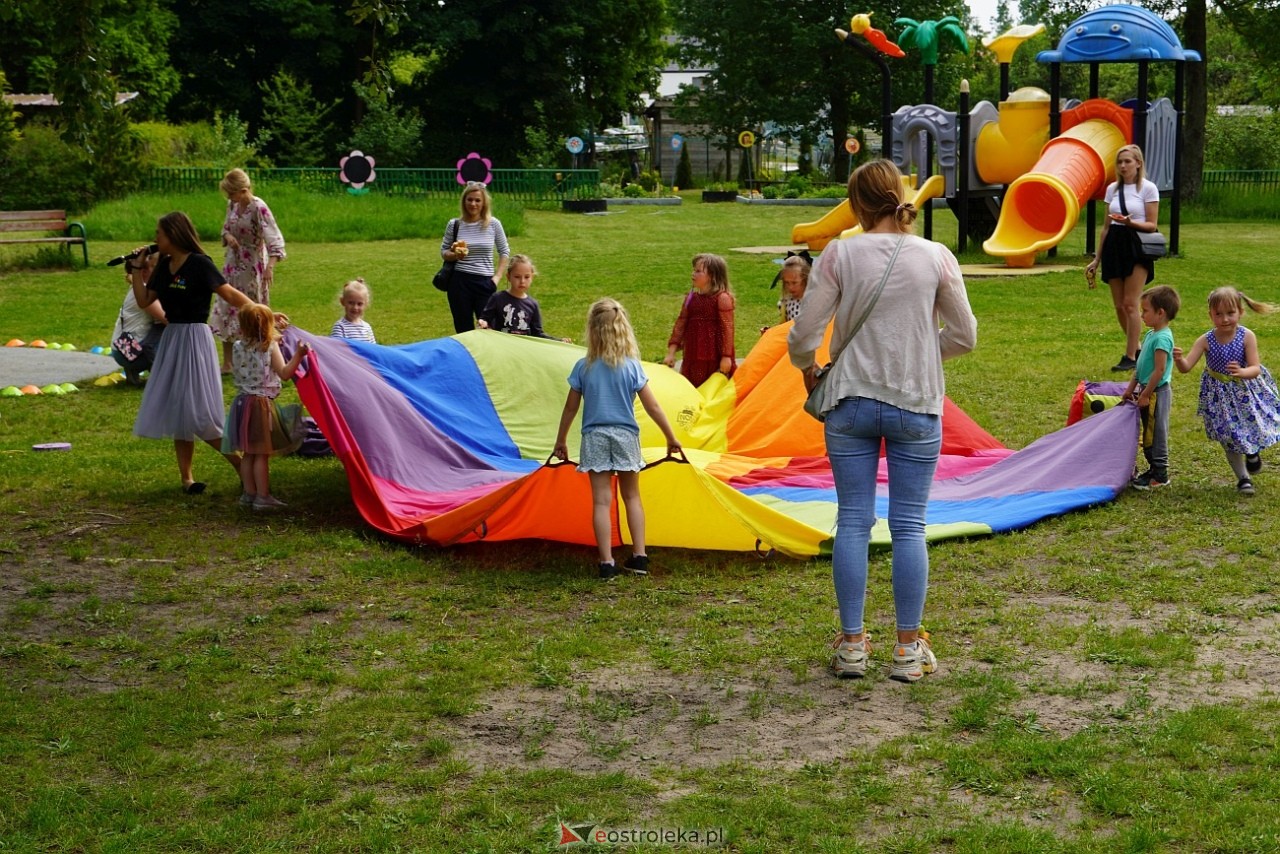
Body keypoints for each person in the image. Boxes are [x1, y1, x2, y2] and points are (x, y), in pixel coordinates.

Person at [787, 159, 977, 683]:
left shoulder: (839, 254)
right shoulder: (936, 256)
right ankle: (908, 650)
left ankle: (852, 646)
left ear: (856, 206)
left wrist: (809, 369)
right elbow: (965, 336)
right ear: (900, 196)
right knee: (910, 526)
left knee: (853, 521)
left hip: (849, 400)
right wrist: (922, 350)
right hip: (916, 401)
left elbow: (804, 336)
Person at [127, 211, 278, 494]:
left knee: (197, 412)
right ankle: (187, 478)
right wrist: (136, 269)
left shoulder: (199, 264)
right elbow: (144, 299)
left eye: (159, 233)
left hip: (195, 339)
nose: (155, 238)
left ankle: (239, 465)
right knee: (180, 410)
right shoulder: (164, 266)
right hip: (173, 339)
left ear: (173, 235)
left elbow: (229, 294)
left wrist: (261, 312)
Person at [553, 298, 683, 580]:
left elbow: (570, 408)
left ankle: (606, 563)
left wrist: (560, 440)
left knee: (601, 501)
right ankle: (639, 557)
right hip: (626, 436)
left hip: (595, 437)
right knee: (632, 496)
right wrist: (671, 437)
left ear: (592, 330)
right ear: (623, 329)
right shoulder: (632, 367)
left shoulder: (583, 367)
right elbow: (653, 406)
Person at [1173, 287, 1280, 495]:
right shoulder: (1205, 340)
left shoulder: (1247, 336)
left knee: (1250, 426)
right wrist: (1179, 359)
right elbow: (1186, 368)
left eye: (1230, 313)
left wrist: (1241, 372)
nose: (1224, 319)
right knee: (1228, 435)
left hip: (1245, 392)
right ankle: (1243, 479)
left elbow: (1255, 368)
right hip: (1218, 396)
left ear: (1240, 312)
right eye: (1218, 314)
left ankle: (1252, 453)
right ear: (1210, 315)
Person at [223, 303, 310, 510]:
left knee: (248, 453)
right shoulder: (270, 347)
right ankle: (263, 497)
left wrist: (272, 333)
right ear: (267, 327)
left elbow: (257, 342)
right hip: (260, 405)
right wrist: (299, 354)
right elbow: (285, 373)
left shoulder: (237, 346)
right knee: (261, 453)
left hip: (242, 403)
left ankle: (248, 494)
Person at [1085, 144, 1160, 373]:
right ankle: (1138, 350)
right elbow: (1106, 227)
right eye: (1120, 162)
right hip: (1114, 245)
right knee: (1119, 305)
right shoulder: (1112, 189)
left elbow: (1152, 224)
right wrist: (1097, 259)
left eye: (1128, 161)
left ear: (1138, 163)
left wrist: (1130, 222)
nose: (1123, 166)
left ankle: (1130, 356)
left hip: (1136, 246)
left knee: (1130, 303)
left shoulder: (1148, 188)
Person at [212, 168, 287, 372]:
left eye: (232, 193)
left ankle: (259, 358)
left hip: (252, 266)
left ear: (243, 190)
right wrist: (228, 237)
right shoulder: (232, 205)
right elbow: (225, 228)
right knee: (227, 306)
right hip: (232, 264)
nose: (229, 197)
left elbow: (274, 237)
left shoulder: (258, 207)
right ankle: (228, 362)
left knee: (253, 309)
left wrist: (270, 267)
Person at [1121, 285, 1180, 491]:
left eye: (1145, 311)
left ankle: (1160, 474)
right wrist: (1130, 389)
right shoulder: (1150, 335)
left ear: (1160, 313)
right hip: (1147, 391)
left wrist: (1146, 394)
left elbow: (1159, 370)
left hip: (1157, 393)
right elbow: (1140, 368)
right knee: (1147, 432)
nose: (1141, 315)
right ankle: (1153, 469)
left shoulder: (1163, 338)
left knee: (1155, 435)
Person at [439, 181, 510, 333]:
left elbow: (504, 251)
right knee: (463, 328)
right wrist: (455, 255)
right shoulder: (455, 224)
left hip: (484, 281)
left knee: (488, 327)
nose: (473, 204)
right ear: (464, 201)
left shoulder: (493, 224)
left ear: (484, 203)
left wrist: (497, 277)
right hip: (459, 282)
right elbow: (444, 251)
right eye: (469, 199)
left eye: (477, 200)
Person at [663, 253, 736, 387]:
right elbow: (680, 324)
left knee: (714, 389)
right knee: (691, 388)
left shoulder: (722, 298)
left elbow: (727, 329)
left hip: (715, 356)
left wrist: (726, 356)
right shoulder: (691, 298)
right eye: (693, 270)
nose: (693, 274)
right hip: (693, 354)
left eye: (698, 271)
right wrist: (671, 353)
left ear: (712, 276)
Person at [477, 254, 572, 341]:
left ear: (532, 277)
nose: (522, 281)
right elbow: (485, 319)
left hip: (522, 348)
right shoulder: (498, 298)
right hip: (502, 346)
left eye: (526, 277)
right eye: (517, 277)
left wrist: (558, 341)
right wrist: (483, 323)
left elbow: (537, 333)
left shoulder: (532, 305)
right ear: (508, 277)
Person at [111, 284, 166, 385]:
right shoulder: (146, 291)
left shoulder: (138, 286)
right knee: (173, 330)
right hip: (132, 354)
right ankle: (161, 376)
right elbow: (168, 320)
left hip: (121, 349)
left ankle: (133, 371)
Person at [762, 254, 810, 333]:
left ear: (805, 279)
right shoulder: (785, 303)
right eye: (787, 282)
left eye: (794, 283)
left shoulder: (813, 301)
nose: (790, 287)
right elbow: (784, 327)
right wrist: (771, 333)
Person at [330, 277, 377, 343]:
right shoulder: (340, 327)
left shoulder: (367, 328)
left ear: (366, 304)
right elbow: (336, 348)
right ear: (342, 302)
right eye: (351, 303)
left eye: (359, 304)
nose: (355, 307)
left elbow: (373, 348)